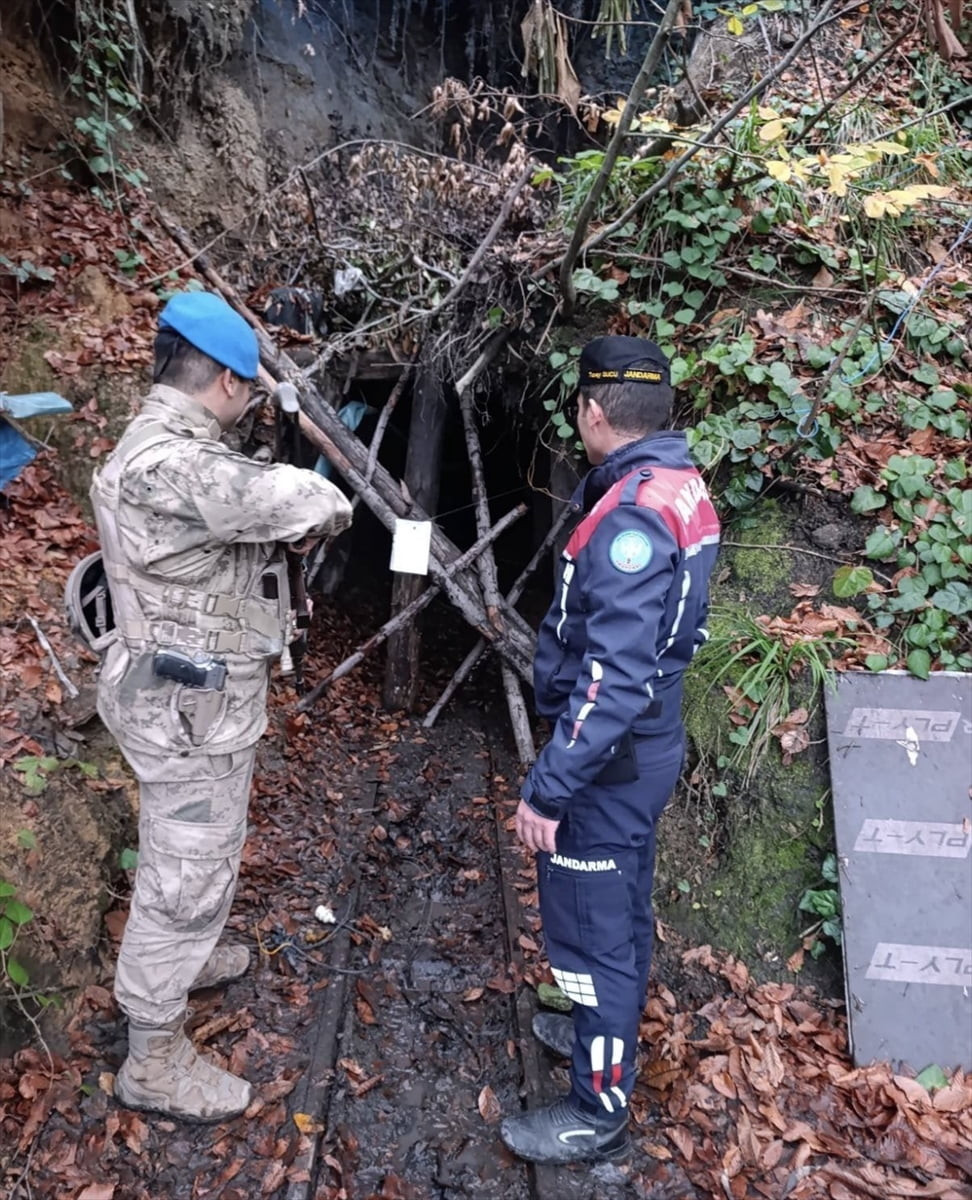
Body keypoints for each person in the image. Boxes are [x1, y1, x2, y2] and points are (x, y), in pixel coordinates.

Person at [87, 291, 352, 1122]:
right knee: (186, 877)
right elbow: (309, 503)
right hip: (186, 712)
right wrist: (324, 497)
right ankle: (154, 1060)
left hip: (187, 703)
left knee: (184, 857)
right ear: (231, 384)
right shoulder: (175, 462)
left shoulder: (163, 448)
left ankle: (182, 956)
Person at [500, 336, 720, 1164]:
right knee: (621, 902)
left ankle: (598, 1108)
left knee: (591, 929)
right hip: (643, 748)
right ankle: (605, 1030)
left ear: (594, 412)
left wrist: (549, 787)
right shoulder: (677, 484)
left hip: (609, 758)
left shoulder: (630, 513)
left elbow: (613, 678)